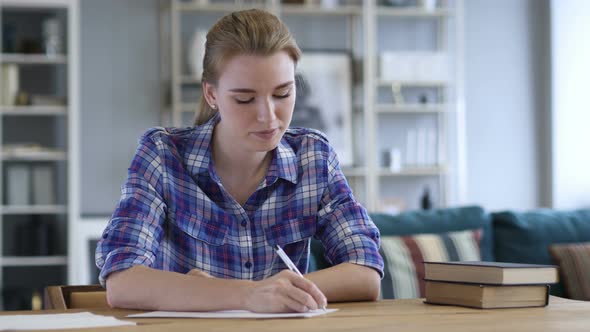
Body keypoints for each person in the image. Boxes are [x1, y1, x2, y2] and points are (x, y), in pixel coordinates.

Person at [96, 8, 383, 313]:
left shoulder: (313, 157)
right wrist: (249, 295)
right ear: (211, 94)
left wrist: (275, 294)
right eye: (245, 99)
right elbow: (122, 281)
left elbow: (365, 272)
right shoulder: (163, 156)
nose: (268, 116)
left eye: (283, 93)